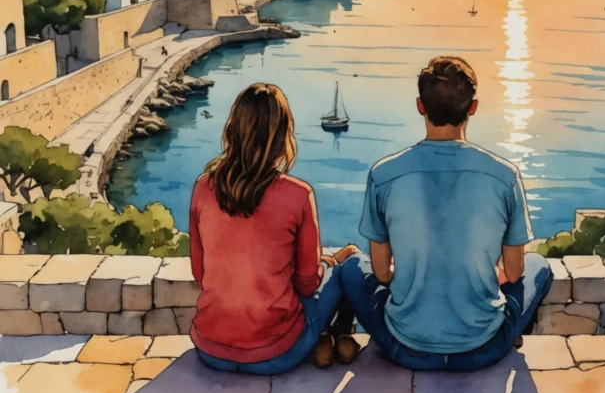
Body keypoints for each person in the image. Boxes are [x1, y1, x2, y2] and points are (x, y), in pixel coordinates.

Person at [341, 56, 553, 372]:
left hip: (406, 348)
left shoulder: (384, 174)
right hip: (482, 349)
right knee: (539, 265)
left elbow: (382, 274)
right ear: (472, 108)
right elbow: (514, 271)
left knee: (351, 266)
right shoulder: (504, 176)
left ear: (420, 106)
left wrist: (417, 276)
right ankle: (511, 335)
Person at [189, 82, 361, 374]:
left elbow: (200, 273)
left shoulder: (203, 187)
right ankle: (337, 336)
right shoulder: (297, 194)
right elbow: (307, 283)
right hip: (277, 354)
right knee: (346, 264)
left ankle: (325, 339)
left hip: (211, 350)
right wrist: (327, 263)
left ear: (233, 130)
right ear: (283, 135)